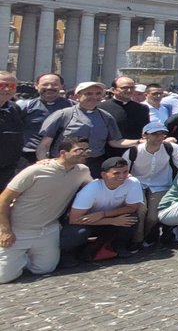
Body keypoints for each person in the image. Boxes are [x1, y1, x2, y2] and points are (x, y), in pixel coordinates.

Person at [0, 139, 92, 283]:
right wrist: (5, 230)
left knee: (45, 269)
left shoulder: (82, 171)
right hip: (18, 230)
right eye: (79, 150)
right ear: (63, 152)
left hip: (48, 230)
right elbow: (3, 199)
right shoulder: (35, 171)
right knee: (3, 277)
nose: (85, 154)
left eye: (87, 150)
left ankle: (19, 258)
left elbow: (96, 187)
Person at [37, 82, 140, 176]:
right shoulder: (63, 114)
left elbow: (114, 142)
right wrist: (44, 161)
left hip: (94, 165)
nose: (94, 97)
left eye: (98, 93)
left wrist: (140, 141)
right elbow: (45, 144)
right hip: (66, 164)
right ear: (77, 96)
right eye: (89, 94)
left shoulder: (106, 117)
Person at [60, 157, 144, 264]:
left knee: (131, 219)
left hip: (107, 217)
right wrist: (111, 221)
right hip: (88, 222)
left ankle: (117, 246)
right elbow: (74, 219)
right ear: (104, 175)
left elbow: (132, 207)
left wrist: (103, 214)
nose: (122, 176)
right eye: (116, 173)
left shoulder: (132, 182)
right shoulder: (91, 189)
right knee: (78, 233)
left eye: (125, 172)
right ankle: (71, 252)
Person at [123, 121, 178, 247]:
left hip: (161, 184)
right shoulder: (133, 152)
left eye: (162, 134)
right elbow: (123, 171)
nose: (159, 137)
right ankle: (137, 240)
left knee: (153, 217)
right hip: (137, 184)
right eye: (155, 134)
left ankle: (149, 236)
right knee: (141, 210)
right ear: (145, 135)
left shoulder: (171, 148)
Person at [96, 76, 151, 163]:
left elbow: (146, 130)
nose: (129, 90)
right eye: (124, 88)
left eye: (132, 87)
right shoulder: (101, 108)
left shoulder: (142, 108)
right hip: (110, 154)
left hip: (137, 153)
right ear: (113, 89)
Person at [0, 72, 24, 188]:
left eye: (11, 86)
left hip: (7, 170)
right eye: (2, 85)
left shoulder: (14, 108)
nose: (6, 89)